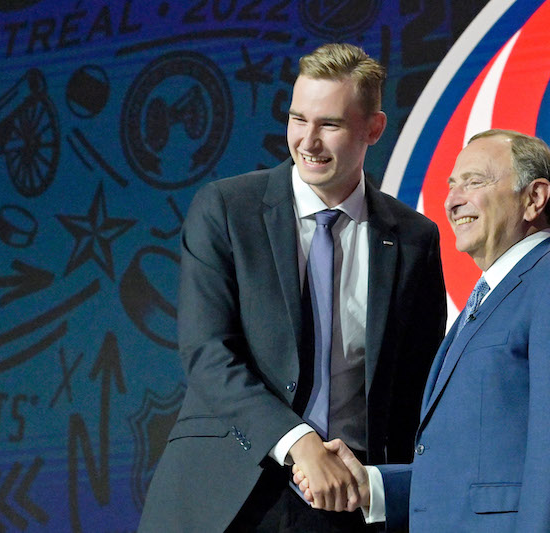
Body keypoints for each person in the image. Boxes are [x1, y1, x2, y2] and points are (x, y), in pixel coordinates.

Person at [139, 43, 447, 532]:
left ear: (374, 128)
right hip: (227, 492)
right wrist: (298, 440)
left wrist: (399, 492)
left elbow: (418, 387)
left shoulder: (414, 238)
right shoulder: (226, 209)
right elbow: (207, 353)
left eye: (329, 124)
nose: (308, 141)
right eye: (297, 119)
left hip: (347, 502)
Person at [294, 129, 550, 532]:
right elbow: (470, 474)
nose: (452, 200)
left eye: (474, 182)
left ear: (534, 198)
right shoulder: (484, 300)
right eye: (451, 185)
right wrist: (372, 485)